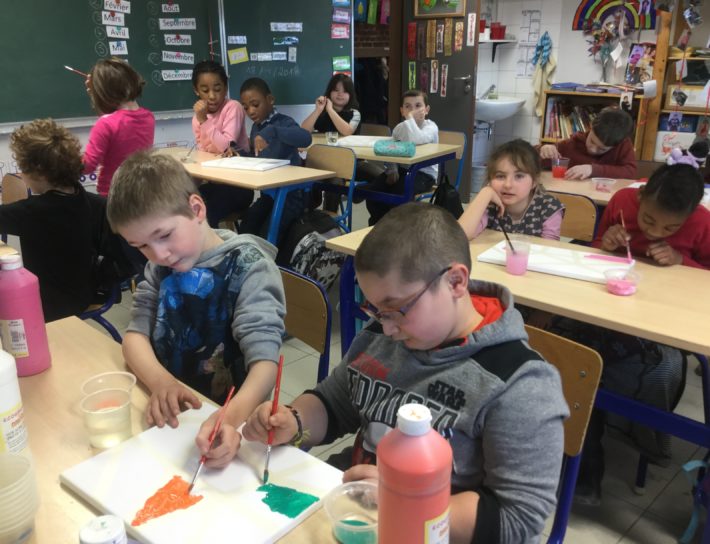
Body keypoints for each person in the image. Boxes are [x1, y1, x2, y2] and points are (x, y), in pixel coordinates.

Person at [243, 202, 569, 542]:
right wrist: (294, 421)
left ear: (456, 281)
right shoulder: (382, 337)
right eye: (376, 310)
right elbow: (335, 403)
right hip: (365, 515)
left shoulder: (519, 383)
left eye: (396, 309)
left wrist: (406, 504)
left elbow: (518, 517)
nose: (386, 328)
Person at [106, 151, 286, 468]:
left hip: (236, 421)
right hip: (177, 418)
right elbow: (134, 336)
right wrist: (161, 383)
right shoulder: (160, 268)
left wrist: (229, 418)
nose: (159, 254)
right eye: (142, 246)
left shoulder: (250, 268)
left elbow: (265, 365)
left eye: (164, 236)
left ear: (196, 209)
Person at [550, 164, 710, 505]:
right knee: (574, 354)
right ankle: (585, 457)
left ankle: (640, 440)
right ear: (641, 196)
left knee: (659, 369)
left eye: (670, 228)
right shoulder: (623, 200)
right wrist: (605, 243)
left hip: (666, 321)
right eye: (648, 220)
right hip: (609, 309)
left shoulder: (702, 222)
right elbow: (594, 252)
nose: (654, 232)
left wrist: (682, 260)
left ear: (689, 216)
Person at [0, 119, 103, 322]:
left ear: (38, 173)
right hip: (82, 294)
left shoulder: (34, 212)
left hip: (48, 304)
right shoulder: (84, 198)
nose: (21, 174)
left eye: (23, 169)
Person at [238, 77, 313, 242]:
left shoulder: (284, 122)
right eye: (246, 107)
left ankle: (270, 257)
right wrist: (238, 153)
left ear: (270, 100)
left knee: (267, 235)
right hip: (269, 195)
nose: (251, 111)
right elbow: (258, 157)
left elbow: (306, 138)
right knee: (247, 226)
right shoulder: (256, 127)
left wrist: (274, 131)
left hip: (291, 196)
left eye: (255, 104)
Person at [459, 139, 564, 240]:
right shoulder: (489, 204)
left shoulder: (548, 207)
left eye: (519, 176)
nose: (508, 185)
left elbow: (549, 248)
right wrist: (485, 192)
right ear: (490, 179)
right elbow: (460, 236)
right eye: (500, 176)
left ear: (534, 181)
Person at [191, 60, 254, 228]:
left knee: (206, 213)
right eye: (205, 90)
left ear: (225, 88)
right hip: (215, 183)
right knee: (187, 204)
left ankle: (210, 243)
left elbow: (226, 145)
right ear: (196, 91)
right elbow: (202, 153)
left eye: (217, 89)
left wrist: (204, 120)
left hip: (239, 186)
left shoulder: (233, 107)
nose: (212, 96)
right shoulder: (196, 119)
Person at [364, 89, 439, 225]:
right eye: (408, 107)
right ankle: (378, 227)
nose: (413, 110)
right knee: (373, 192)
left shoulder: (430, 127)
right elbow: (390, 150)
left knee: (399, 194)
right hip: (402, 170)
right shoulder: (399, 128)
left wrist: (410, 118)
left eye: (418, 106)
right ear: (402, 111)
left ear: (427, 110)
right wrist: (392, 170)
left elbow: (417, 139)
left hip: (424, 174)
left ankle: (398, 229)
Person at [83, 58, 155, 196]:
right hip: (141, 191)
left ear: (103, 93)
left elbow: (88, 166)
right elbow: (118, 122)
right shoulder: (148, 117)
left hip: (113, 195)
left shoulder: (105, 124)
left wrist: (65, 160)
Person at [301, 73, 361, 212]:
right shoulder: (322, 112)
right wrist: (318, 110)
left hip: (345, 163)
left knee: (335, 183)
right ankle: (307, 212)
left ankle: (329, 216)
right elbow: (303, 131)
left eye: (345, 91)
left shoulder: (354, 113)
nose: (340, 94)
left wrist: (330, 110)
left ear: (350, 94)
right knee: (307, 179)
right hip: (322, 162)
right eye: (336, 90)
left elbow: (347, 130)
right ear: (329, 92)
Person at [539, 107, 637, 180]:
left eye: (601, 149)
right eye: (592, 141)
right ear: (590, 128)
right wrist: (543, 149)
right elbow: (533, 159)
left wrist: (593, 170)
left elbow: (630, 172)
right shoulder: (573, 143)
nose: (593, 149)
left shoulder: (622, 145)